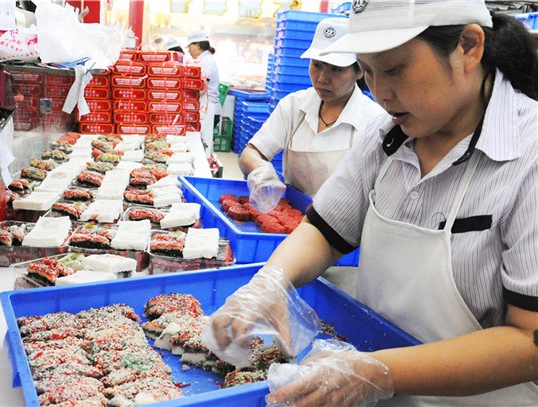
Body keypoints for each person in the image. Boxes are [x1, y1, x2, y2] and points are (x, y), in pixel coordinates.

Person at [205, 1, 538, 406]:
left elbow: (529, 341)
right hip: (373, 387)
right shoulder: (387, 135)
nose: (380, 94)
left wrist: (381, 372)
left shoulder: (528, 154)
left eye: (394, 69)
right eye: (368, 71)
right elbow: (324, 230)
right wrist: (269, 283)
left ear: (468, 47)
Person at [239, 18, 384, 212]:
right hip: (295, 215)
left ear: (360, 71)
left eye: (337, 69)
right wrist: (260, 169)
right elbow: (250, 154)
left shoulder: (375, 122)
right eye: (317, 65)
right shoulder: (294, 106)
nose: (323, 79)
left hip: (344, 230)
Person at [186, 30, 221, 156]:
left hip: (208, 110)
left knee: (203, 147)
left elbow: (201, 89)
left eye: (190, 46)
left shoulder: (207, 61)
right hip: (203, 109)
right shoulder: (201, 60)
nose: (188, 50)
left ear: (198, 45)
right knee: (200, 145)